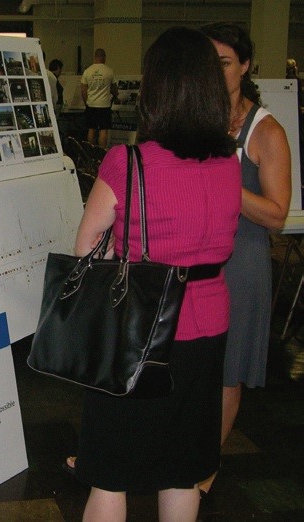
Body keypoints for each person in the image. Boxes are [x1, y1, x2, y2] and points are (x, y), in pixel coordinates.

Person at [70, 26, 241, 521]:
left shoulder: (128, 162)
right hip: (207, 327)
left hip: (139, 329)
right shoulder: (228, 161)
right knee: (181, 467)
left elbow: (86, 251)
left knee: (110, 472)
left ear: (155, 89)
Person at [198, 22, 292, 499]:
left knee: (227, 368)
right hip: (195, 256)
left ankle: (205, 466)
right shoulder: (198, 118)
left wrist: (224, 185)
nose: (216, 72)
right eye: (208, 63)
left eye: (225, 62)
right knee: (192, 364)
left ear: (246, 65)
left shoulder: (266, 130)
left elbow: (276, 214)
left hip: (243, 261)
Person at [81, 48, 118, 148]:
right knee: (103, 129)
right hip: (104, 105)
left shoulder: (87, 71)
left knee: (91, 129)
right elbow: (114, 89)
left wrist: (86, 102)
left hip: (91, 104)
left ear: (95, 57)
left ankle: (90, 152)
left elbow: (83, 90)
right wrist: (114, 96)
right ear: (104, 58)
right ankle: (102, 153)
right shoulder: (109, 71)